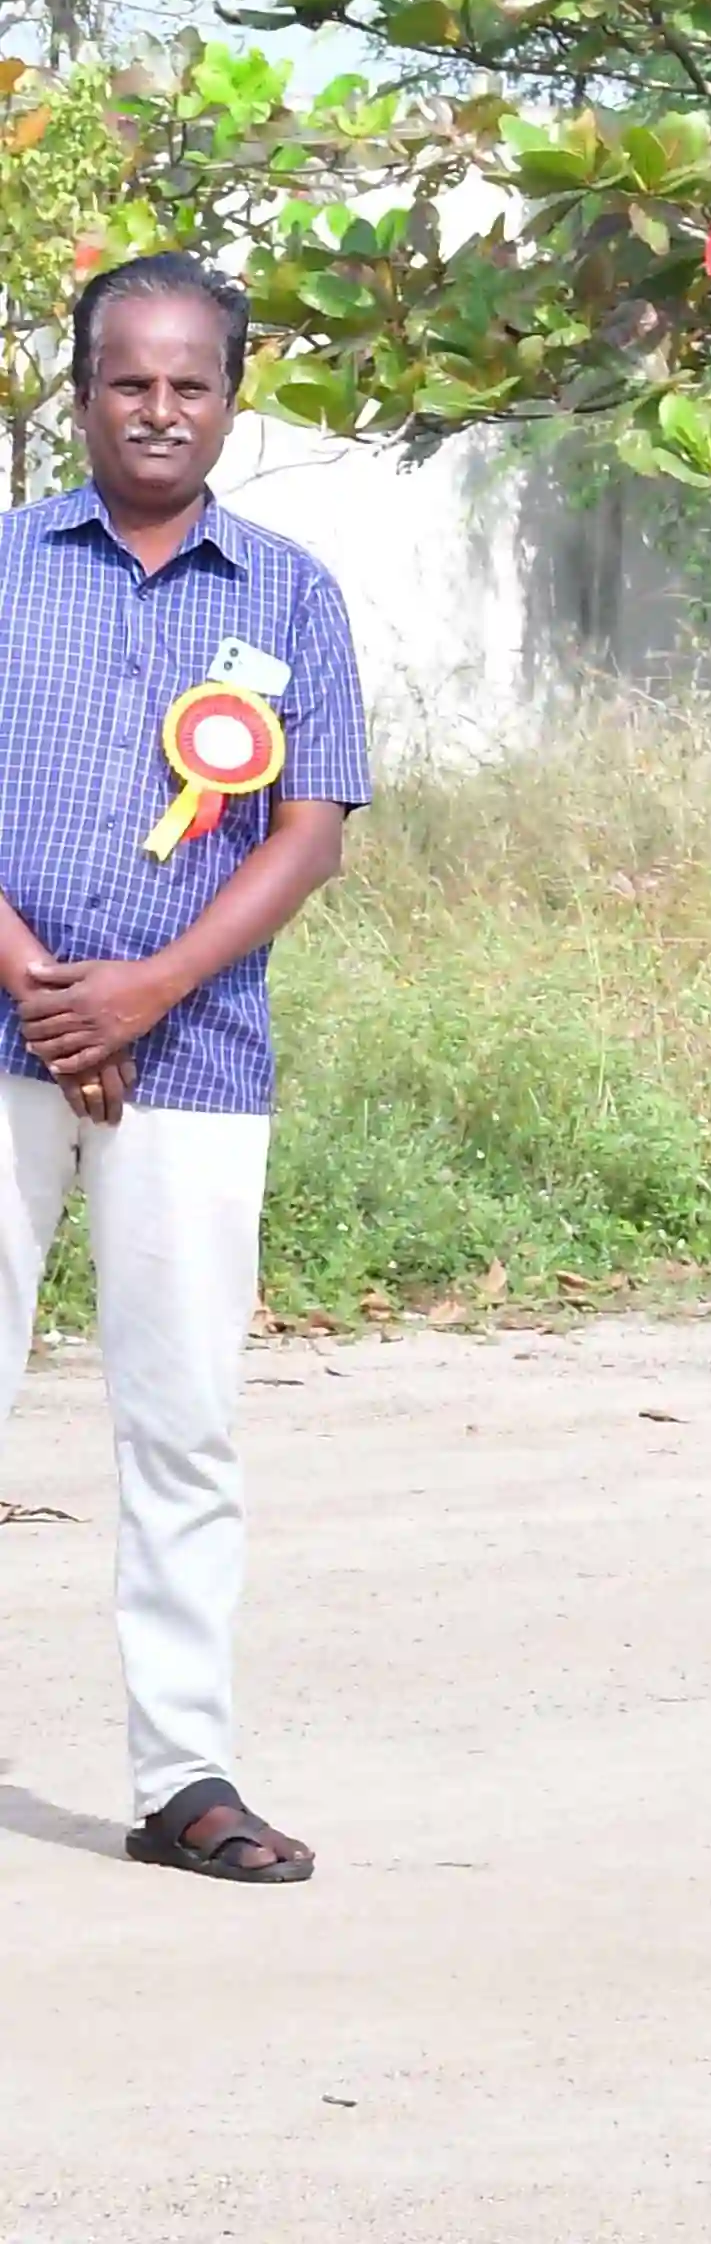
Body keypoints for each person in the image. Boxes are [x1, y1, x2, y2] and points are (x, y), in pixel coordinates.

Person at [0, 248, 367, 1885]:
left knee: (184, 1427)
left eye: (190, 383)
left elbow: (311, 831)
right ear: (78, 391)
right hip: (4, 1045)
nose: (159, 408)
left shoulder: (287, 594)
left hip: (195, 1060)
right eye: (127, 379)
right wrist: (40, 985)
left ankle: (184, 1780)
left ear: (231, 398)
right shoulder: (6, 568)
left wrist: (142, 992)